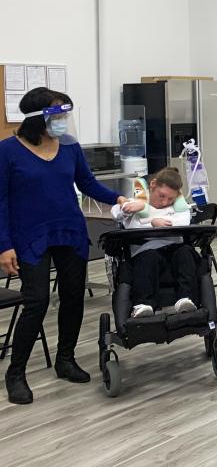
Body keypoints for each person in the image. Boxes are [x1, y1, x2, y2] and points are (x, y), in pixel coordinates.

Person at [0, 88, 130, 404]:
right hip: (30, 237)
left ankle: (65, 359)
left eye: (64, 114)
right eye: (57, 115)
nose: (63, 121)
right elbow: (0, 201)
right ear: (36, 118)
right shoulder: (7, 151)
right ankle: (16, 373)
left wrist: (118, 198)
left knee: (73, 297)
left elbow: (87, 184)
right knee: (37, 301)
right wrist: (4, 246)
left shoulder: (69, 148)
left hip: (69, 232)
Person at [111, 167, 197, 318]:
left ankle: (186, 299)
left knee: (186, 252)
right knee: (149, 257)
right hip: (146, 253)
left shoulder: (179, 209)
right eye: (161, 196)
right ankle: (144, 304)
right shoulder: (137, 204)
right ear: (153, 185)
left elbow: (183, 222)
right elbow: (116, 213)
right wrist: (127, 208)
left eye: (171, 199)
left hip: (174, 252)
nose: (164, 202)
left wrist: (153, 222)